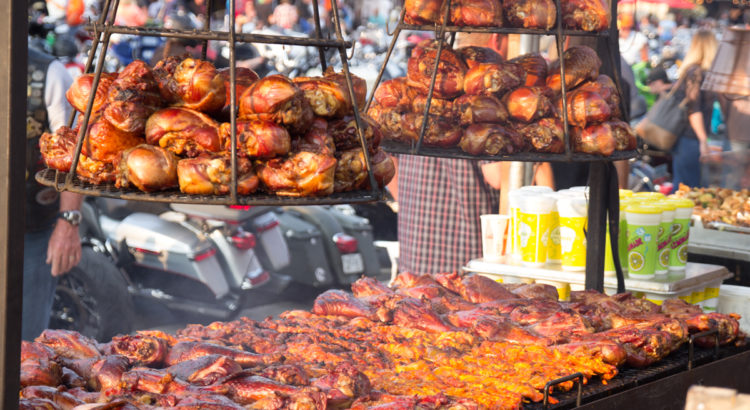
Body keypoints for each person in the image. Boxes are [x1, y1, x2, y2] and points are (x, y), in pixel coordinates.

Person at [24, 42, 83, 340]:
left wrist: (68, 222)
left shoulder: (49, 73)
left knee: (26, 337)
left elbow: (73, 155)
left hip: (32, 229)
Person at [669, 29, 719, 192]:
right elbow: (694, 109)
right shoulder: (696, 72)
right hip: (689, 138)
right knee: (688, 191)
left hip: (688, 139)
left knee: (688, 189)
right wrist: (703, 140)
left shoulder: (695, 71)